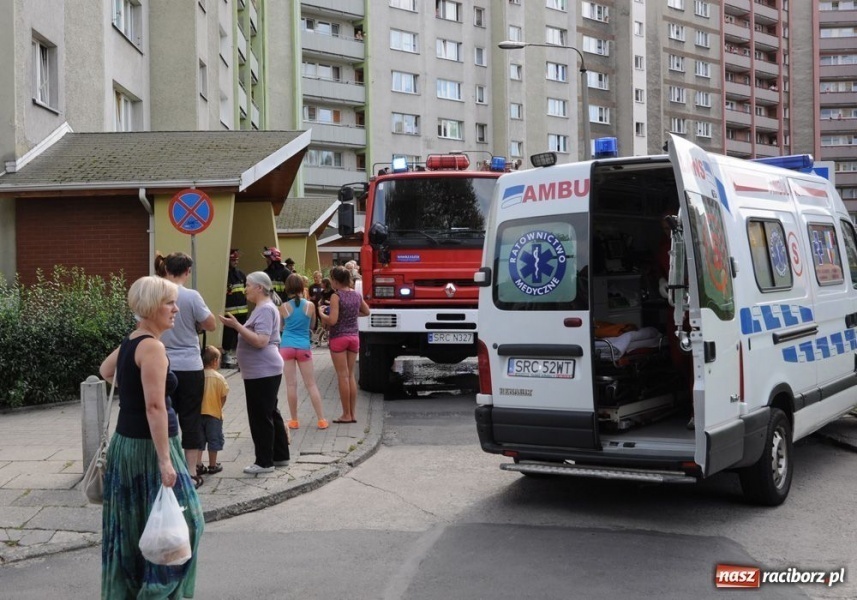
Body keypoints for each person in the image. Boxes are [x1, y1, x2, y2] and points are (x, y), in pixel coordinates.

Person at [99, 275, 204, 599]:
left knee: (134, 528)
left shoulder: (132, 340)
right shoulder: (153, 348)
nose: (175, 309)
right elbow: (156, 407)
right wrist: (165, 461)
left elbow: (105, 371)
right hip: (151, 448)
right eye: (169, 303)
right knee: (190, 524)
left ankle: (133, 591)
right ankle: (157, 593)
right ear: (151, 307)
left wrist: (131, 387)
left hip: (125, 445)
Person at [155, 252, 216, 489]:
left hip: (161, 362)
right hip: (190, 365)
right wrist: (194, 323)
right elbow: (210, 323)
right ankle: (191, 473)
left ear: (166, 269)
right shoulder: (191, 296)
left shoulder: (154, 293)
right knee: (191, 418)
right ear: (187, 271)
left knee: (161, 415)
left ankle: (164, 467)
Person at [219, 271, 290, 474]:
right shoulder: (263, 307)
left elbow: (261, 340)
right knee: (270, 412)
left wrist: (237, 327)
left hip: (263, 369)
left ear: (259, 287)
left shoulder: (266, 309)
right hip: (261, 370)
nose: (245, 288)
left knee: (260, 416)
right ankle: (280, 455)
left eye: (248, 285)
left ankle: (264, 462)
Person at [318, 266, 370, 423]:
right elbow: (367, 312)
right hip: (354, 337)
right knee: (351, 376)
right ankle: (353, 414)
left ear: (335, 281)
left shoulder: (336, 296)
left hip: (339, 338)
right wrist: (353, 315)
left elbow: (332, 320)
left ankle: (345, 414)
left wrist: (321, 313)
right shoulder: (356, 294)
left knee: (342, 376)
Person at [279, 274, 329, 430]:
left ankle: (294, 420)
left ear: (287, 288)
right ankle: (321, 419)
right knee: (311, 384)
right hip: (303, 346)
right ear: (302, 287)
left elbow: (281, 327)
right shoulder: (310, 306)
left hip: (286, 346)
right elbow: (313, 325)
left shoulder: (283, 307)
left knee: (291, 385)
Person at [199, 345, 229, 474]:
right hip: (214, 414)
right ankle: (212, 465)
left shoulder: (197, 376)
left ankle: (198, 465)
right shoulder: (219, 378)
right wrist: (219, 406)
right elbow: (224, 395)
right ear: (215, 361)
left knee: (198, 440)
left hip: (197, 414)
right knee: (214, 440)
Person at [223, 249, 247, 368]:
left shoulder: (241, 275)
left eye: (237, 260)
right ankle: (226, 355)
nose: (235, 262)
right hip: (229, 312)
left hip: (242, 312)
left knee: (241, 335)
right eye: (233, 260)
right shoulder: (224, 275)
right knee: (228, 335)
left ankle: (240, 357)